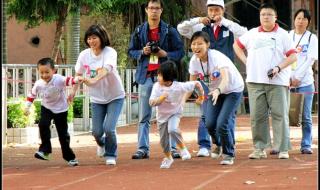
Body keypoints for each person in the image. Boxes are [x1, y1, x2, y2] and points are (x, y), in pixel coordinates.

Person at [177, 0, 247, 158]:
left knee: (225, 120)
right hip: (208, 80)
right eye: (211, 10)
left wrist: (225, 22)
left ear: (223, 11)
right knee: (208, 119)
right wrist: (198, 20)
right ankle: (212, 144)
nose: (214, 13)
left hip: (227, 80)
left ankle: (228, 149)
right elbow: (181, 28)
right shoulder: (200, 29)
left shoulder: (228, 28)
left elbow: (244, 33)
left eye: (217, 10)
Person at [233, 3, 297, 159]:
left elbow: (293, 56)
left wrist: (278, 68)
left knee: (280, 115)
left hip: (278, 82)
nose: (266, 17)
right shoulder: (252, 33)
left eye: (269, 14)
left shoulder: (283, 35)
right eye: (263, 14)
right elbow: (237, 45)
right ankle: (259, 148)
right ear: (259, 17)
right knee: (257, 116)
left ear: (275, 17)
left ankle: (282, 149)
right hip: (255, 81)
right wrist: (245, 60)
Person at [128, 0, 185, 159]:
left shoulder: (169, 31)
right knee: (143, 116)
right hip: (146, 77)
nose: (154, 11)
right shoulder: (139, 30)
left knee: (169, 114)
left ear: (161, 11)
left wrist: (165, 54)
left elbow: (181, 52)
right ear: (146, 10)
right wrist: (142, 51)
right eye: (151, 8)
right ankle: (142, 148)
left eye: (157, 8)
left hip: (165, 78)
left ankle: (172, 148)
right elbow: (130, 51)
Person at [69, 24, 125, 166]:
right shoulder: (84, 55)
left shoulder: (109, 52)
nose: (91, 41)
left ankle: (111, 154)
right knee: (96, 132)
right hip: (97, 98)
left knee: (109, 128)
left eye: (94, 38)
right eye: (89, 38)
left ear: (101, 38)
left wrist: (92, 80)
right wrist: (73, 92)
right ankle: (102, 144)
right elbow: (78, 74)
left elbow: (106, 69)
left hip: (115, 96)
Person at [189, 31, 244, 165]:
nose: (196, 47)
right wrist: (195, 96)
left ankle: (229, 153)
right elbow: (192, 84)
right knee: (209, 123)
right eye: (194, 44)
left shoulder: (217, 57)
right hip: (213, 92)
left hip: (232, 90)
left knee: (222, 123)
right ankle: (218, 144)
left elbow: (225, 78)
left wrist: (218, 90)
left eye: (200, 43)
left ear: (207, 45)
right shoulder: (194, 61)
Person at [25, 58, 80, 166]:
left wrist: (78, 79)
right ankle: (45, 151)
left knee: (63, 135)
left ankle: (70, 157)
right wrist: (27, 107)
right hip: (47, 107)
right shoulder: (39, 83)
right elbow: (31, 95)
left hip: (61, 109)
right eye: (41, 72)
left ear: (54, 71)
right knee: (43, 124)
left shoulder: (58, 79)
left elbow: (69, 80)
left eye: (47, 72)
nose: (44, 75)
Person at [149, 60, 204, 168]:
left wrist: (201, 96)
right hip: (161, 117)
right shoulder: (156, 87)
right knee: (164, 141)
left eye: (160, 75)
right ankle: (168, 158)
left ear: (168, 77)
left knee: (173, 129)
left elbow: (197, 83)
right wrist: (161, 98)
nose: (157, 77)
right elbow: (151, 102)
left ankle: (183, 149)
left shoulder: (179, 86)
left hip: (175, 113)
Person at [289, 9, 318, 154]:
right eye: (298, 18)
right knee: (284, 114)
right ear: (294, 20)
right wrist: (289, 78)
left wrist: (298, 77)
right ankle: (283, 144)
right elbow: (283, 58)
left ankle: (306, 144)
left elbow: (310, 59)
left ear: (309, 22)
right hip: (287, 82)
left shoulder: (312, 38)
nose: (301, 21)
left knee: (306, 116)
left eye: (304, 19)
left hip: (305, 82)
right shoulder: (288, 36)